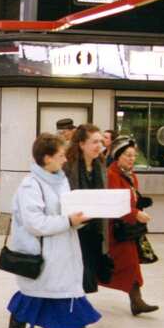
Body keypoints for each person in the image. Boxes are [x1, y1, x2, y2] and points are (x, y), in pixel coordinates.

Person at [5, 133, 115, 328]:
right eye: (61, 155)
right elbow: (36, 224)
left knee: (46, 298)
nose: (66, 159)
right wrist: (68, 221)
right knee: (52, 300)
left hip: (62, 254)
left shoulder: (60, 180)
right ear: (46, 158)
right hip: (43, 256)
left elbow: (64, 213)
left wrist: (79, 220)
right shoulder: (30, 186)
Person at [101, 136, 158, 315]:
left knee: (130, 264)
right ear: (118, 156)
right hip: (115, 230)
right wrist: (136, 214)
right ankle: (136, 301)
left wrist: (139, 203)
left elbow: (129, 199)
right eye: (127, 155)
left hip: (127, 229)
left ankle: (136, 301)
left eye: (134, 156)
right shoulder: (111, 175)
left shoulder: (130, 175)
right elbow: (114, 204)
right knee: (124, 264)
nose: (132, 159)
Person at [63, 124, 110, 294]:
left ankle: (77, 308)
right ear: (81, 144)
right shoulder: (68, 166)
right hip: (75, 227)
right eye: (94, 142)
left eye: (101, 141)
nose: (99, 146)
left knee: (87, 274)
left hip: (95, 229)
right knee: (74, 273)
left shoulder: (101, 166)